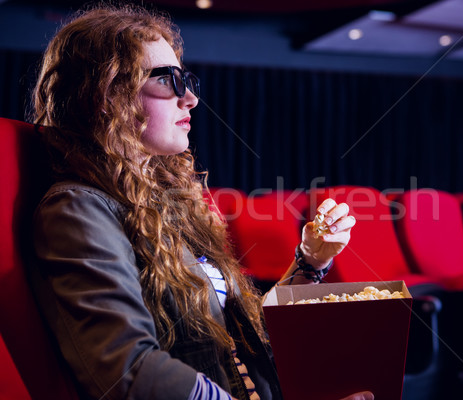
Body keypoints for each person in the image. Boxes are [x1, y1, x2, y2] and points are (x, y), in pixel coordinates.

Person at [28, 4, 371, 400]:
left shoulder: (163, 202)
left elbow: (246, 331)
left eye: (186, 79)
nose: (189, 98)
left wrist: (310, 262)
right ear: (105, 95)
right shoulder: (77, 210)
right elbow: (130, 373)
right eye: (167, 80)